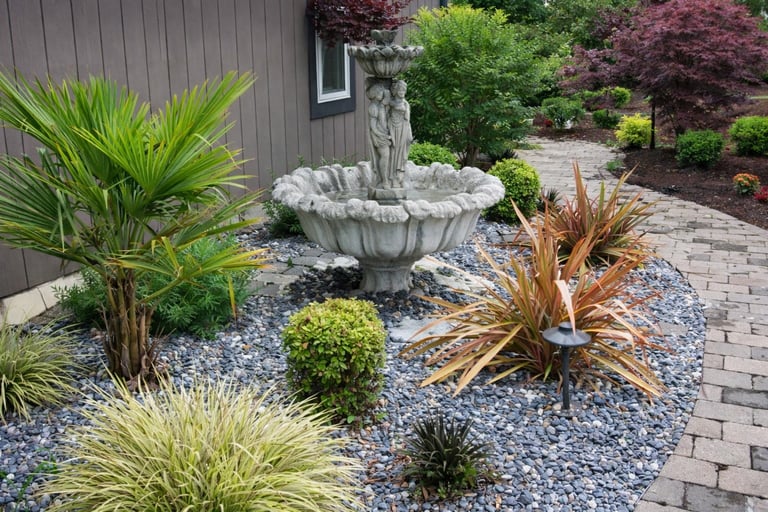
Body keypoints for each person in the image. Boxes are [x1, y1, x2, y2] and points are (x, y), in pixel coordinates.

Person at [367, 81, 391, 187]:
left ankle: (385, 178)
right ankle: (384, 180)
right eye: (381, 93)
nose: (382, 94)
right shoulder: (373, 107)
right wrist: (382, 135)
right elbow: (373, 126)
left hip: (383, 133)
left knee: (386, 155)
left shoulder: (380, 105)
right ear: (376, 94)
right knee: (385, 155)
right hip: (378, 135)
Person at [388, 79, 412, 189]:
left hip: (404, 128)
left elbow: (408, 119)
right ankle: (393, 177)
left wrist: (409, 132)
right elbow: (386, 117)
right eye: (400, 89)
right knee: (394, 151)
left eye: (404, 89)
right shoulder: (391, 103)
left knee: (404, 148)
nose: (403, 91)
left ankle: (400, 175)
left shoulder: (406, 103)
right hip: (394, 128)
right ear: (396, 90)